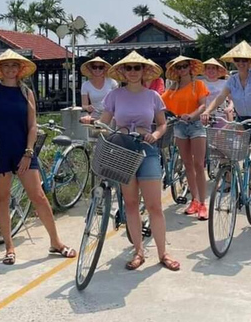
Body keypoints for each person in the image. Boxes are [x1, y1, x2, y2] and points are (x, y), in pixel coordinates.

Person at [0, 49, 76, 265]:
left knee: (38, 196)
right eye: (6, 66)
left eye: (14, 66)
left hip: (22, 150)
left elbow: (32, 126)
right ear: (0, 70)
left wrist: (29, 152)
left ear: (20, 70)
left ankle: (56, 242)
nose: (10, 69)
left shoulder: (26, 93)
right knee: (1, 198)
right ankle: (9, 247)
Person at [99, 51, 180, 271]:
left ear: (144, 71)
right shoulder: (115, 95)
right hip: (123, 149)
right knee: (131, 204)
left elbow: (163, 124)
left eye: (137, 68)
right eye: (129, 68)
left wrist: (155, 135)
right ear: (123, 72)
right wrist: (93, 122)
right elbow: (104, 122)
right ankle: (138, 251)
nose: (133, 72)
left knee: (154, 206)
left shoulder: (153, 96)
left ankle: (163, 252)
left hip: (148, 150)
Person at [201, 41, 251, 242]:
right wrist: (208, 111)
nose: (241, 63)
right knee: (222, 142)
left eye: (245, 60)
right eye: (238, 59)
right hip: (242, 121)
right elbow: (220, 97)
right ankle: (229, 175)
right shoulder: (233, 80)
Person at [161, 56, 209, 221]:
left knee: (199, 164)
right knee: (187, 164)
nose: (182, 69)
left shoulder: (199, 85)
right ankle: (194, 199)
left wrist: (192, 115)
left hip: (195, 125)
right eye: (178, 67)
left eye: (184, 66)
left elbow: (203, 105)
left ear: (190, 67)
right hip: (179, 127)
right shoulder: (172, 89)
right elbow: (160, 104)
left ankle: (203, 203)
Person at [78, 57, 118, 124]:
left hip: (111, 116)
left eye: (100, 67)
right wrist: (88, 107)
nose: (97, 69)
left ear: (104, 69)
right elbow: (84, 105)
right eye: (94, 67)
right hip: (95, 117)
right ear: (90, 69)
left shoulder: (112, 82)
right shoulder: (85, 85)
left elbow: (118, 102)